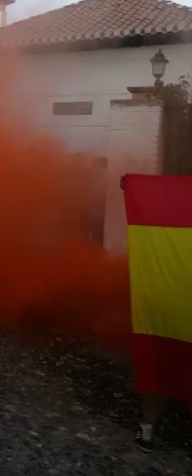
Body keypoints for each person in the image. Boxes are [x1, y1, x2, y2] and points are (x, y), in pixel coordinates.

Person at [120, 174, 192, 453]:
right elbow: (162, 198)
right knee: (161, 367)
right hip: (172, 303)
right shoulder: (180, 196)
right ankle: (147, 425)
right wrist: (135, 189)